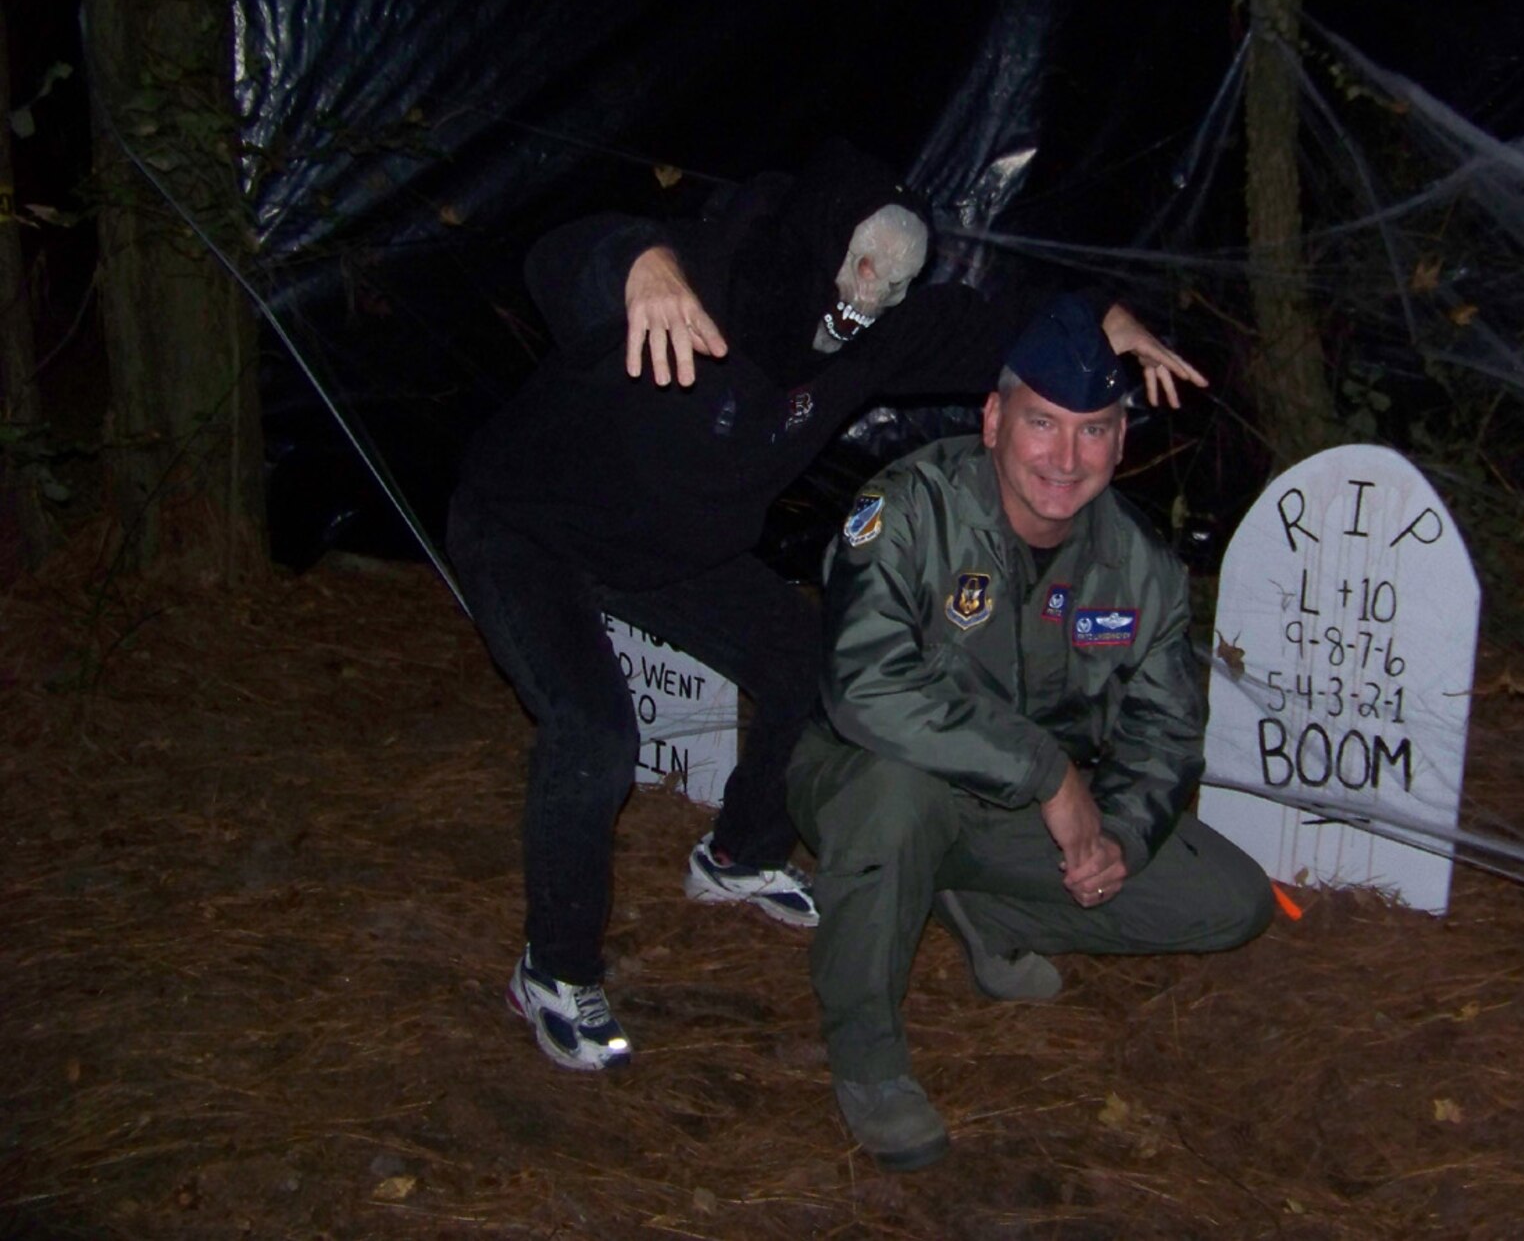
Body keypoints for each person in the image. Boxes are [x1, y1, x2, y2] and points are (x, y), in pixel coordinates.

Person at [447, 140, 1204, 1071]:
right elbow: (560, 254)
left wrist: (1103, 318)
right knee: (595, 732)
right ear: (819, 246)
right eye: (862, 268)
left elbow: (1001, 324)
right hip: (531, 531)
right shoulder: (715, 277)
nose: (871, 297)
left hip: (664, 555)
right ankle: (553, 971)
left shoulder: (873, 336)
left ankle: (739, 855)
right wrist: (638, 263)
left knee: (810, 663)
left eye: (896, 280)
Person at [788, 293, 1274, 1169]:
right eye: (1042, 424)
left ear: (1120, 444)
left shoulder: (1142, 568)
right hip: (866, 775)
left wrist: (1119, 835)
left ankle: (975, 903)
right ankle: (869, 1062)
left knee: (1231, 901)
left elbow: (1165, 732)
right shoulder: (908, 509)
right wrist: (1047, 773)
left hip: (1016, 818)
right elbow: (865, 685)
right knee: (896, 798)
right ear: (993, 421)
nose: (1065, 457)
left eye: (1093, 432)